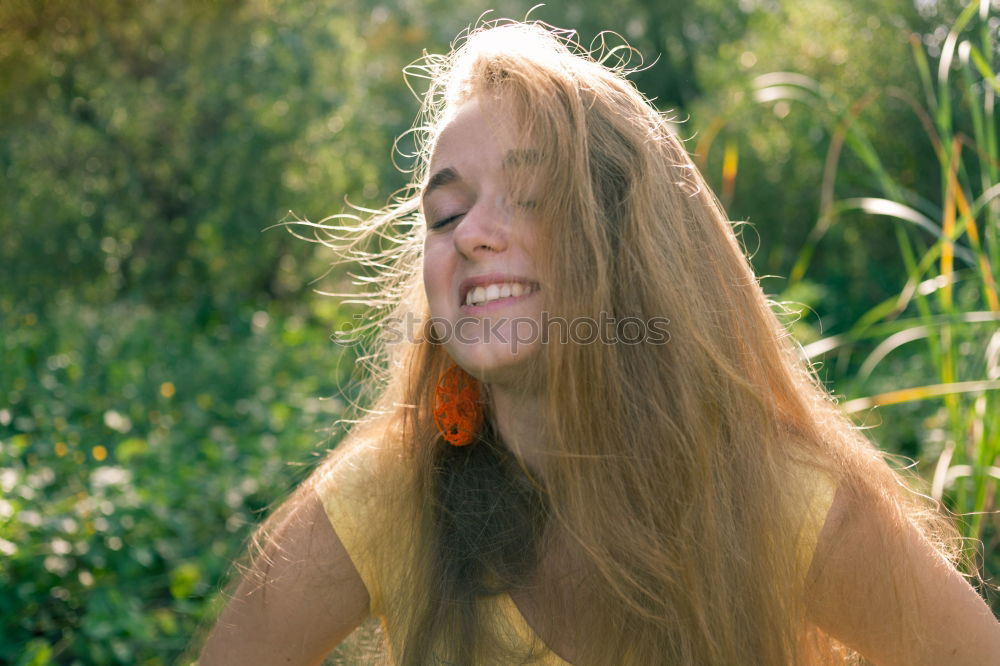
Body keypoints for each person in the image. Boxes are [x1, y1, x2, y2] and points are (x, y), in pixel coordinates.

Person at [197, 20, 1000, 665]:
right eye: (444, 215)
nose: (471, 233)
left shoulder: (779, 499)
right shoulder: (387, 497)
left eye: (532, 195)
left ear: (633, 244)